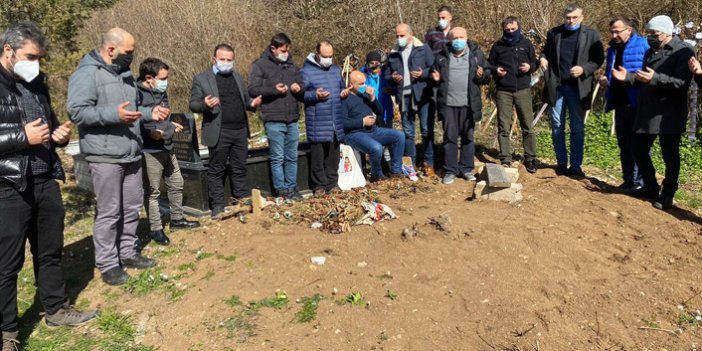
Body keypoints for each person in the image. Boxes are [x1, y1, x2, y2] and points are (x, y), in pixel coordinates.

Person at [0, 21, 98, 351]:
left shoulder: (36, 81)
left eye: (40, 58)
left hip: (45, 180)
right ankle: (7, 333)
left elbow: (49, 125)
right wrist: (20, 138)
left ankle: (56, 309)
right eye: (30, 57)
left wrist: (59, 136)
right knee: (6, 264)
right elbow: (22, 134)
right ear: (8, 50)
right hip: (9, 186)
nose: (36, 65)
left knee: (50, 252)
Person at [67, 28, 169, 285]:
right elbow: (77, 112)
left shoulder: (124, 74)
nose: (132, 58)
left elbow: (132, 110)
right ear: (111, 49)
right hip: (105, 155)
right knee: (110, 211)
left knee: (133, 205)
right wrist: (113, 115)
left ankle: (128, 252)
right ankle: (109, 263)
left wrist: (149, 113)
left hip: (131, 152)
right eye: (129, 52)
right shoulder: (86, 74)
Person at [612, 15, 695, 210]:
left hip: (669, 112)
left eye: (654, 33)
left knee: (670, 155)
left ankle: (668, 193)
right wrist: (628, 77)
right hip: (648, 109)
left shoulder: (683, 51)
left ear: (666, 32)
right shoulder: (651, 51)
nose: (650, 37)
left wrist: (655, 78)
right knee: (638, 149)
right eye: (648, 33)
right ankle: (650, 186)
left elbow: (682, 83)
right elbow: (644, 77)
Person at [189, 44, 262, 219]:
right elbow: (193, 104)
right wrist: (205, 105)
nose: (226, 63)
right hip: (219, 131)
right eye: (222, 59)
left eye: (229, 60)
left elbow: (244, 100)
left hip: (240, 130)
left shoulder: (237, 77)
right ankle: (218, 207)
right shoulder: (202, 79)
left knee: (239, 168)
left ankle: (241, 203)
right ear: (214, 59)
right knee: (216, 170)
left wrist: (252, 104)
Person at [138, 58, 200, 242]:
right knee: (153, 191)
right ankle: (156, 228)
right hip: (150, 150)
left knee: (176, 182)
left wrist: (170, 124)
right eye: (162, 78)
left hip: (167, 145)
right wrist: (156, 131)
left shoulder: (159, 91)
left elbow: (162, 117)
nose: (166, 82)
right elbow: (142, 123)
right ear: (149, 78)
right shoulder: (136, 95)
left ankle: (177, 218)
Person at [540, 4, 604, 177]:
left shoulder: (591, 35)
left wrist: (584, 69)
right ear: (564, 17)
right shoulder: (554, 33)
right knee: (557, 126)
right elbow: (545, 51)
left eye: (575, 17)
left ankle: (576, 166)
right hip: (558, 86)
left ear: (582, 17)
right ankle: (561, 163)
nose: (571, 21)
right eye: (568, 18)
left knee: (577, 127)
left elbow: (598, 59)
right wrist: (543, 58)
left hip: (579, 88)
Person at [248, 33, 305, 199]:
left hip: (292, 117)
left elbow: (302, 85)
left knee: (292, 156)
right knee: (278, 157)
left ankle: (292, 187)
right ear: (273, 48)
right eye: (283, 49)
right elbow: (252, 89)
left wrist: (298, 88)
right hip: (273, 118)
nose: (286, 52)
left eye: (287, 49)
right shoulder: (260, 65)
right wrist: (273, 90)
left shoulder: (291, 65)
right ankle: (281, 190)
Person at [431, 27, 490, 184]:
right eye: (455, 37)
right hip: (448, 104)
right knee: (450, 138)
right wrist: (434, 79)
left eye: (461, 37)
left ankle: (466, 169)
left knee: (468, 137)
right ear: (450, 40)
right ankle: (450, 170)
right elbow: (433, 77)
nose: (458, 40)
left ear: (466, 37)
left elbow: (487, 75)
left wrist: (482, 75)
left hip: (468, 104)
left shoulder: (476, 55)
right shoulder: (441, 56)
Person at [600, 16, 649, 190]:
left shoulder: (643, 45)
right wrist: (606, 80)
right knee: (624, 144)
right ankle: (628, 179)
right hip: (620, 102)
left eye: (617, 31)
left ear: (629, 30)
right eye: (612, 31)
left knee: (639, 145)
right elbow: (611, 72)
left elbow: (650, 74)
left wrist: (630, 78)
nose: (614, 35)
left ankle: (641, 183)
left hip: (638, 102)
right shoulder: (612, 49)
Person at [488, 16, 539, 172]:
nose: (510, 32)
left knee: (527, 126)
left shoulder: (526, 44)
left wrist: (529, 67)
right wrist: (496, 70)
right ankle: (505, 158)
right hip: (503, 90)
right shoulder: (497, 46)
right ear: (503, 29)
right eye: (507, 30)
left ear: (519, 28)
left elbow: (535, 63)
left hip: (523, 89)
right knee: (503, 126)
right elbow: (489, 64)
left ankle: (530, 158)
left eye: (513, 29)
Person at [387, 24, 435, 176]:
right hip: (404, 96)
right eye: (397, 35)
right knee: (408, 132)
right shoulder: (393, 53)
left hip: (422, 95)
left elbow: (434, 69)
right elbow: (386, 75)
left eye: (402, 35)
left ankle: (429, 162)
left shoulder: (423, 49)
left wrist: (423, 74)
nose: (399, 38)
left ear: (410, 34)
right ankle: (411, 164)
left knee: (426, 130)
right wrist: (392, 78)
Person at [300, 41, 347, 197]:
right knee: (318, 156)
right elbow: (301, 95)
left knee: (333, 157)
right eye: (325, 56)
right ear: (317, 54)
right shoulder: (306, 72)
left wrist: (343, 94)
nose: (328, 59)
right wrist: (315, 96)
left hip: (335, 121)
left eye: (331, 56)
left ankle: (333, 183)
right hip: (318, 121)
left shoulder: (335, 70)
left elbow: (340, 88)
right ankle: (319, 186)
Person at [342, 70, 405, 181]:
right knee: (376, 148)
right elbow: (343, 123)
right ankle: (377, 174)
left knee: (399, 136)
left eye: (365, 83)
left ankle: (396, 170)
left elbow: (379, 111)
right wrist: (362, 122)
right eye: (361, 84)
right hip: (355, 134)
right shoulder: (345, 99)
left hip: (372, 130)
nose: (364, 86)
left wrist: (372, 98)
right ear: (351, 84)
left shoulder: (365, 95)